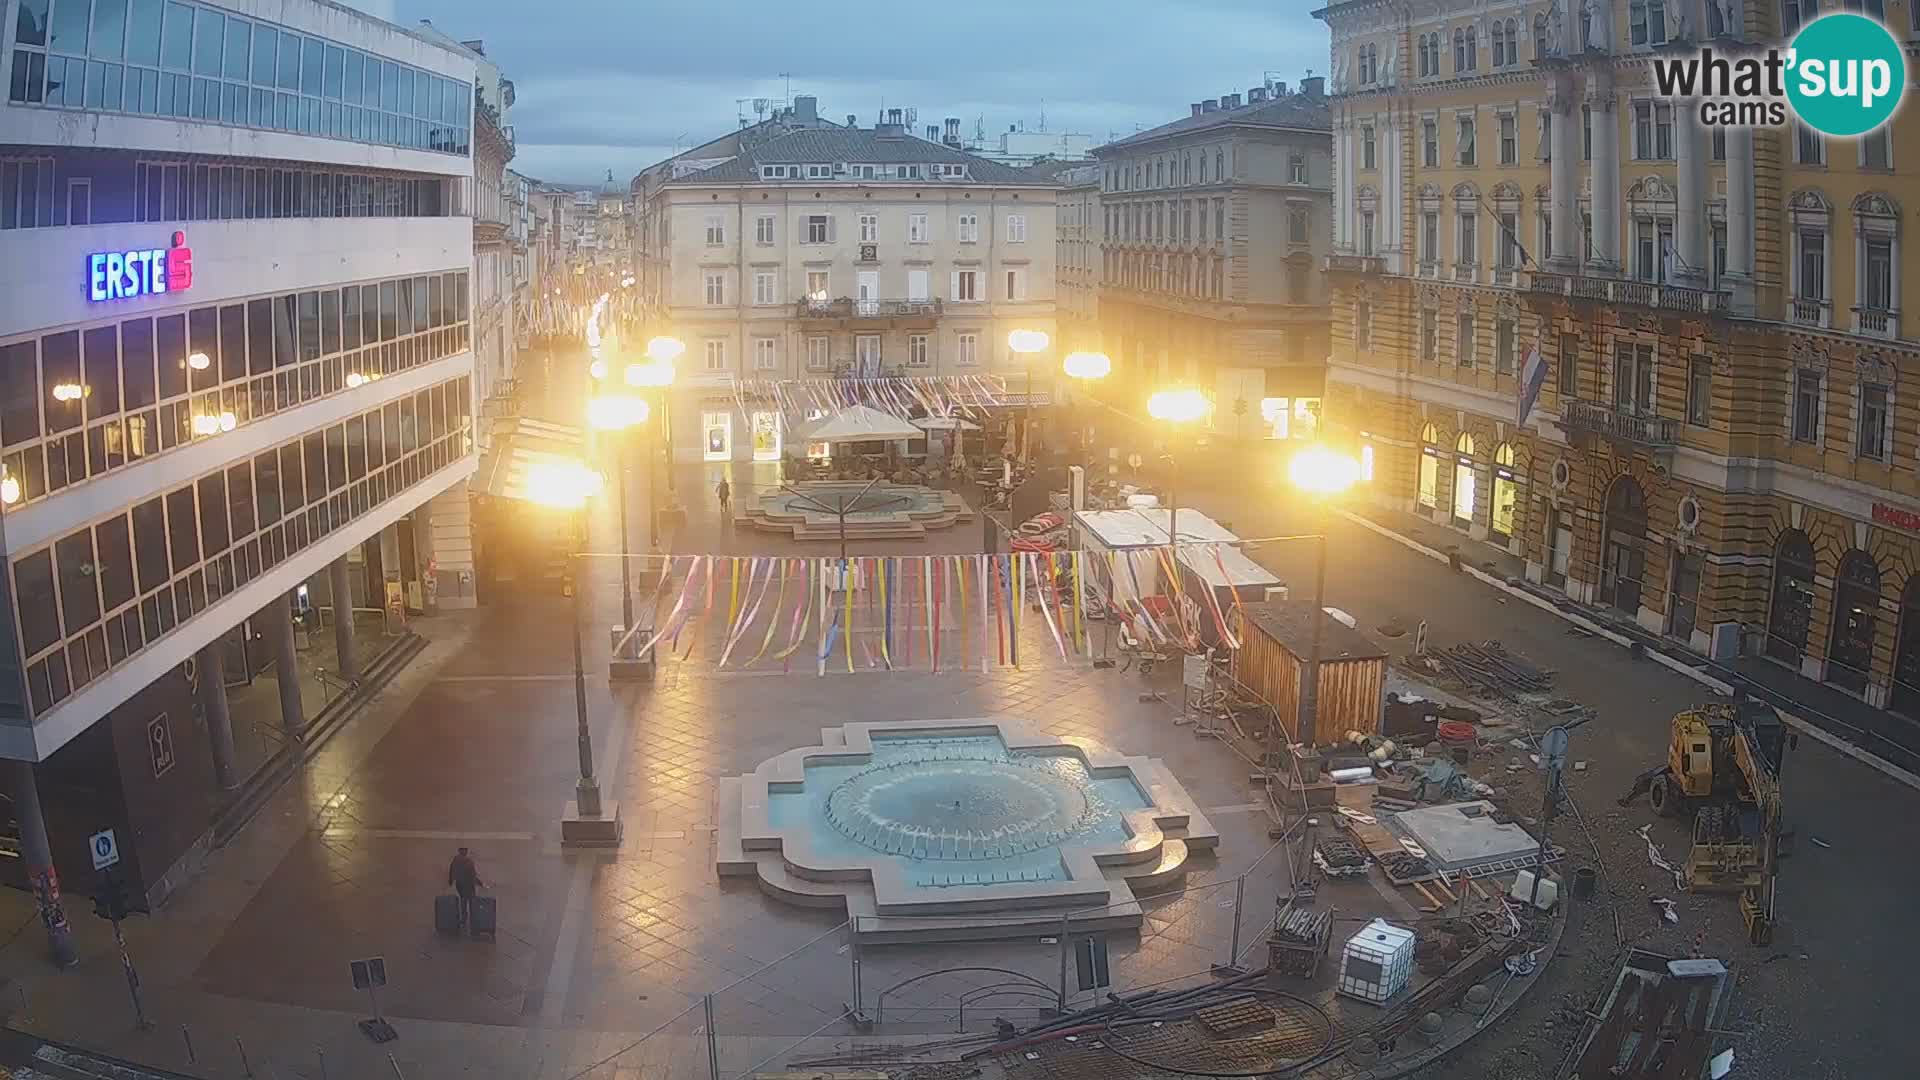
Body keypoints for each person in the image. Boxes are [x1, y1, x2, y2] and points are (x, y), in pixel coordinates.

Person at [447, 847, 483, 928]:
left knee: (463, 901)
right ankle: (472, 919)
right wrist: (480, 883)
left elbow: (452, 870)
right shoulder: (469, 862)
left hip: (460, 885)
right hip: (469, 885)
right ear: (465, 852)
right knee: (471, 902)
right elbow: (473, 875)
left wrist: (451, 880)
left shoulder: (456, 860)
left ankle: (464, 919)